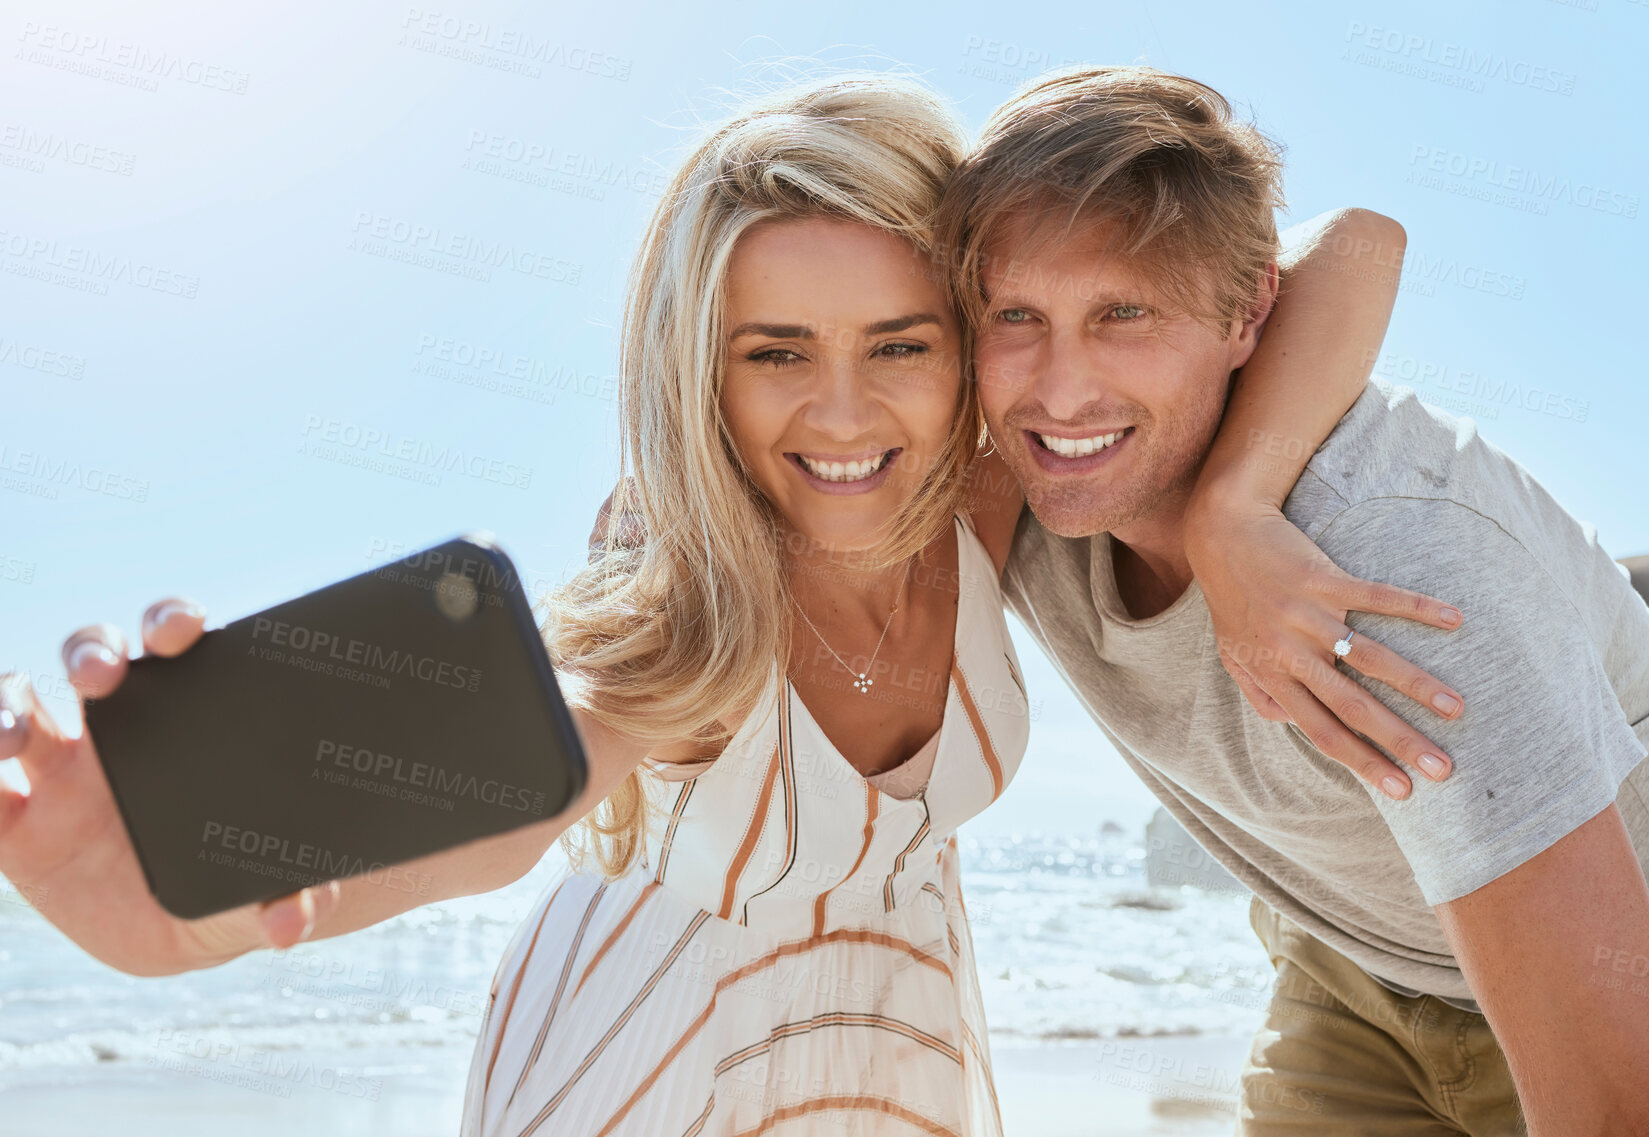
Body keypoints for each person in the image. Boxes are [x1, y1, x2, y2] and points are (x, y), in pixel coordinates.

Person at [0, 73, 1455, 1136]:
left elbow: (1353, 247)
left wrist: (1232, 498)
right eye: (773, 353)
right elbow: (536, 782)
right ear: (700, 364)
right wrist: (219, 920)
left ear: (966, 347)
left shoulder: (983, 494)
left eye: (897, 343)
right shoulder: (693, 578)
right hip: (652, 1066)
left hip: (903, 1043)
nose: (840, 415)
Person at [936, 64, 1649, 1134]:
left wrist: (1232, 506)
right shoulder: (1028, 476)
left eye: (1123, 313)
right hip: (1358, 974)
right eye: (1013, 314)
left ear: (1248, 318)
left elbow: (1638, 1108)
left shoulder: (1397, 571)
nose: (1057, 387)